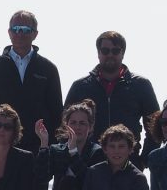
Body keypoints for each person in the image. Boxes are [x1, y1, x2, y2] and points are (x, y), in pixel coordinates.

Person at [0, 10, 62, 153]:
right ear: (9, 32)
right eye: (15, 29)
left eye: (25, 30)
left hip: (36, 152)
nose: (20, 33)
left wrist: (47, 147)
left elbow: (57, 114)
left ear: (35, 34)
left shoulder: (48, 69)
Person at [64, 31, 159, 167]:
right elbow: (65, 126)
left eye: (115, 51)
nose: (110, 55)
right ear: (98, 53)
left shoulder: (140, 85)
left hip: (128, 164)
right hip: (87, 165)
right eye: (105, 50)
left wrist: (144, 160)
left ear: (123, 53)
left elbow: (155, 128)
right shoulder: (80, 86)